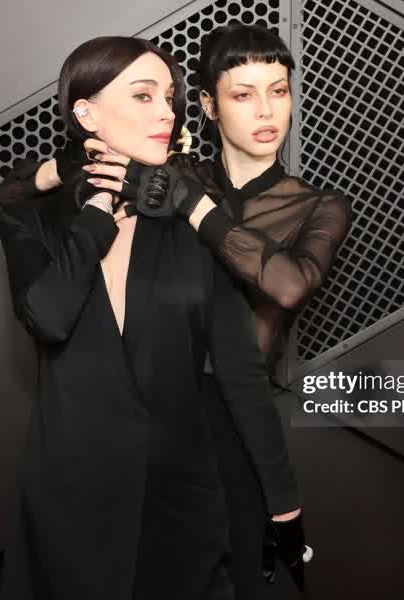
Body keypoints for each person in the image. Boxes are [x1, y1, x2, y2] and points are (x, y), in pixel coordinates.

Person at [0, 35, 303, 600]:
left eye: (169, 97)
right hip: (70, 496)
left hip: (181, 501)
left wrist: (283, 502)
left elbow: (239, 370)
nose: (167, 112)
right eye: (144, 95)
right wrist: (97, 211)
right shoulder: (31, 218)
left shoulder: (191, 219)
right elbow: (50, 318)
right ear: (86, 113)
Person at [63, 24, 351, 598]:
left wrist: (191, 206)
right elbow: (39, 196)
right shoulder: (167, 173)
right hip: (141, 404)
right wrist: (68, 165)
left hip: (236, 425)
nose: (267, 110)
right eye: (243, 94)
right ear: (208, 106)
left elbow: (288, 285)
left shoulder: (319, 206)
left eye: (279, 90)